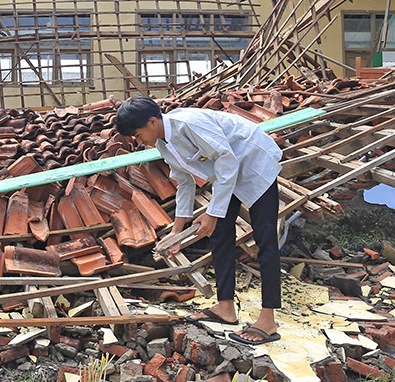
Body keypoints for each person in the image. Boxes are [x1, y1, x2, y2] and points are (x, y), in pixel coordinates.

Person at [114, 96, 283, 345]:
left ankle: (268, 321)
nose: (139, 141)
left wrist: (213, 212)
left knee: (265, 239)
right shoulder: (163, 144)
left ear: (152, 122)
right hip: (229, 176)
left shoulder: (188, 124)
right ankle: (225, 308)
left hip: (255, 162)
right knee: (220, 235)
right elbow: (184, 182)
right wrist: (177, 232)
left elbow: (227, 159)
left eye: (138, 135)